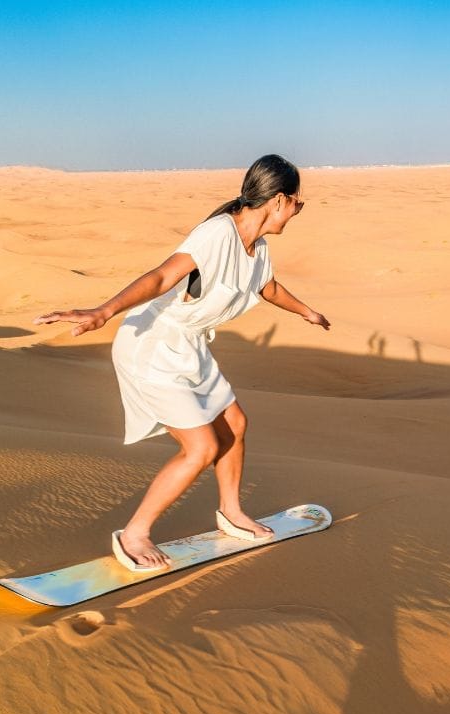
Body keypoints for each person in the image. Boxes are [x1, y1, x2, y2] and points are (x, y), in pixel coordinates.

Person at [33, 154, 330, 571]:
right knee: (201, 447)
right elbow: (160, 277)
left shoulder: (257, 248)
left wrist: (306, 311)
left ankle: (231, 511)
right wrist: (103, 311)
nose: (299, 211)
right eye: (299, 202)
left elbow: (269, 287)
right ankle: (134, 533)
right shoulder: (216, 234)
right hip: (152, 347)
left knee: (236, 424)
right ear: (278, 200)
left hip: (188, 346)